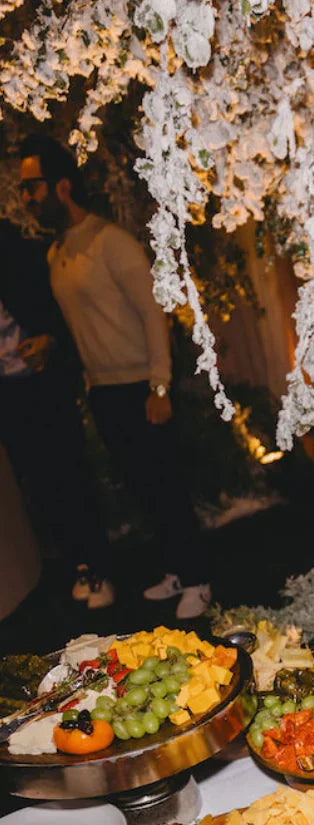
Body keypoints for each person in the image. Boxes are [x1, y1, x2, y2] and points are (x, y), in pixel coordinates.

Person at [19, 134, 212, 620]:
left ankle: (198, 580)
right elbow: (80, 321)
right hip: (103, 390)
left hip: (142, 386)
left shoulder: (111, 242)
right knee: (143, 488)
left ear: (63, 186)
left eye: (33, 187)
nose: (27, 197)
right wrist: (53, 344)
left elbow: (153, 314)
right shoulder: (56, 253)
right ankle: (175, 570)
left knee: (167, 486)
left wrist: (160, 384)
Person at [0, 218, 114, 607]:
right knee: (38, 485)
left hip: (42, 382)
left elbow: (60, 311)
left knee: (70, 473)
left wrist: (50, 340)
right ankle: (78, 565)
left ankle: (99, 567)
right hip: (8, 393)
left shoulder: (15, 245)